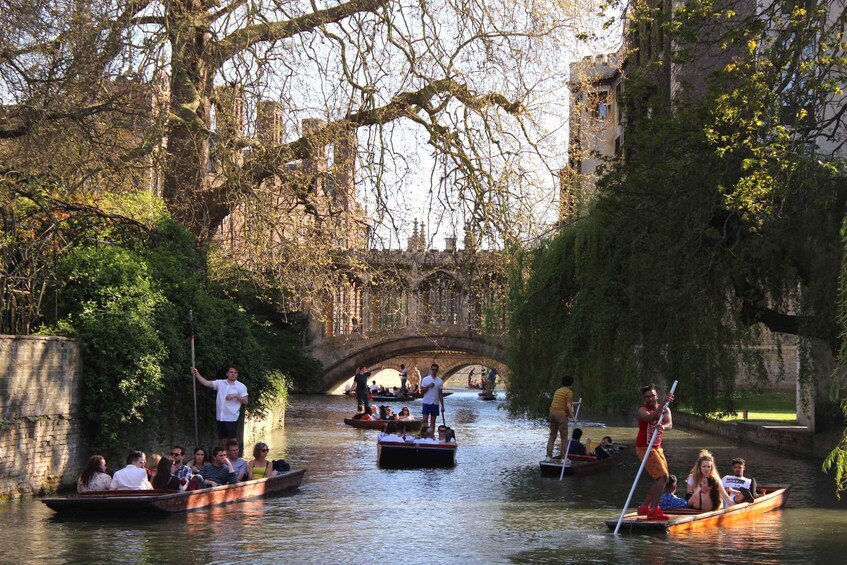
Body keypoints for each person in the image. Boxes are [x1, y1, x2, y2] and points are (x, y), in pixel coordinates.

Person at [635, 384, 674, 520]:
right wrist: (663, 404)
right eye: (647, 397)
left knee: (663, 478)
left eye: (652, 395)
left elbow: (669, 424)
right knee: (662, 477)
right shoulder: (642, 410)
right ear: (644, 399)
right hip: (644, 447)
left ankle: (645, 507)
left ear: (656, 395)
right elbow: (649, 419)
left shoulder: (665, 410)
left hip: (657, 447)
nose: (650, 398)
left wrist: (663, 426)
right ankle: (653, 509)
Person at [193, 364, 248, 447]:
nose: (233, 374)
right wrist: (196, 373)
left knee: (232, 441)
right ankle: (223, 458)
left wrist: (235, 396)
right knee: (223, 441)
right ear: (227, 373)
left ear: (237, 375)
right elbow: (206, 383)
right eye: (231, 372)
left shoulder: (241, 386)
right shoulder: (220, 383)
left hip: (231, 418)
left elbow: (245, 401)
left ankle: (233, 458)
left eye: (235, 373)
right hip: (220, 417)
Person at [546, 375, 575, 462]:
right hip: (561, 415)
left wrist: (575, 403)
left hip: (552, 413)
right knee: (563, 437)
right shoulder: (569, 392)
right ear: (571, 384)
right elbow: (568, 405)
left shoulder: (558, 391)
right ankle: (563, 458)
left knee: (552, 436)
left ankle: (548, 456)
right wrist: (573, 418)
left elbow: (563, 402)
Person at [420, 363, 445, 430]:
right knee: (425, 420)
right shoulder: (425, 379)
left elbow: (440, 394)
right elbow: (422, 391)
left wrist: (442, 406)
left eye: (435, 370)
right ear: (431, 370)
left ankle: (431, 435)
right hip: (427, 402)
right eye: (433, 369)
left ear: (437, 371)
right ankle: (423, 435)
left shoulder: (440, 381)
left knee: (433, 421)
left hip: (435, 403)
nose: (434, 371)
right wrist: (428, 386)